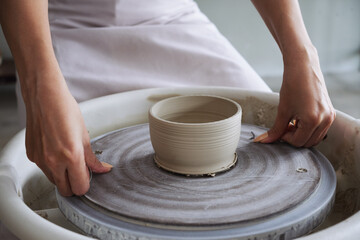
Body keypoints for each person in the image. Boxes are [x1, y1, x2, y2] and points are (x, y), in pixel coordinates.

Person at [0, 0, 335, 196]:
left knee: (284, 157)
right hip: (60, 23)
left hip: (172, 14)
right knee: (70, 177)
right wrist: (39, 84)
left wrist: (302, 54)